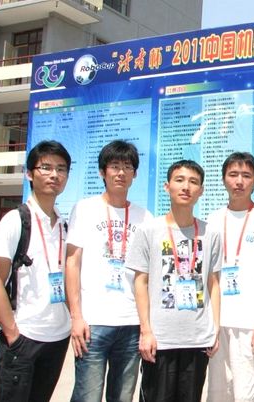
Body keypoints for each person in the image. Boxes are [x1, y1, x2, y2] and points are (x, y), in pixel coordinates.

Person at [125, 160, 221, 401]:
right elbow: (140, 283)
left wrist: (215, 328)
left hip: (197, 339)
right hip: (161, 339)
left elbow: (213, 283)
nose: (186, 187)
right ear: (167, 187)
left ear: (201, 190)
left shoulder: (211, 233)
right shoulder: (149, 230)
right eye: (180, 180)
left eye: (193, 182)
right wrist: (146, 331)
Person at [65, 140, 153, 402]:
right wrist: (76, 317)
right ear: (102, 171)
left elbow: (146, 276)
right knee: (87, 396)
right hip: (93, 324)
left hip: (131, 324)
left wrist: (146, 327)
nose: (121, 172)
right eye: (114, 166)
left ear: (135, 174)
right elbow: (72, 263)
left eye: (128, 166)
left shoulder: (145, 217)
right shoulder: (84, 209)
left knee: (123, 397)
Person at [0, 140, 72, 401]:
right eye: (46, 167)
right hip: (24, 336)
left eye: (61, 169)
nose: (54, 175)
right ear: (29, 174)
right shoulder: (16, 220)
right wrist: (13, 334)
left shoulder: (64, 225)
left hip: (58, 337)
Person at [206, 152, 254, 402]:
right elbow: (210, 274)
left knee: (247, 393)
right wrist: (210, 324)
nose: (239, 181)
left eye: (246, 175)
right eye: (233, 175)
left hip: (250, 323)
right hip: (218, 323)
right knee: (218, 393)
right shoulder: (213, 220)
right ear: (223, 179)